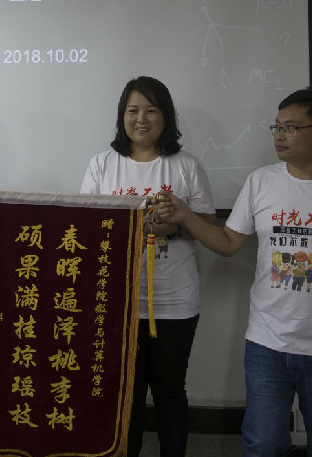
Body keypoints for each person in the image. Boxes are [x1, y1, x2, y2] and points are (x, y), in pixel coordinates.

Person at [155, 88, 312, 457]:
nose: (279, 136)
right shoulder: (261, 182)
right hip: (267, 342)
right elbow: (228, 242)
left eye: (291, 127)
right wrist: (185, 217)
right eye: (276, 127)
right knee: (263, 444)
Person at [79, 76, 216, 457]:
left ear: (166, 117)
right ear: (122, 116)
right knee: (128, 393)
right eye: (133, 110)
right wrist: (140, 225)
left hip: (175, 301)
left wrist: (175, 226)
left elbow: (207, 226)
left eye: (151, 110)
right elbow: (87, 227)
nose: (141, 119)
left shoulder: (186, 165)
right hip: (117, 302)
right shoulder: (102, 165)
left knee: (170, 390)